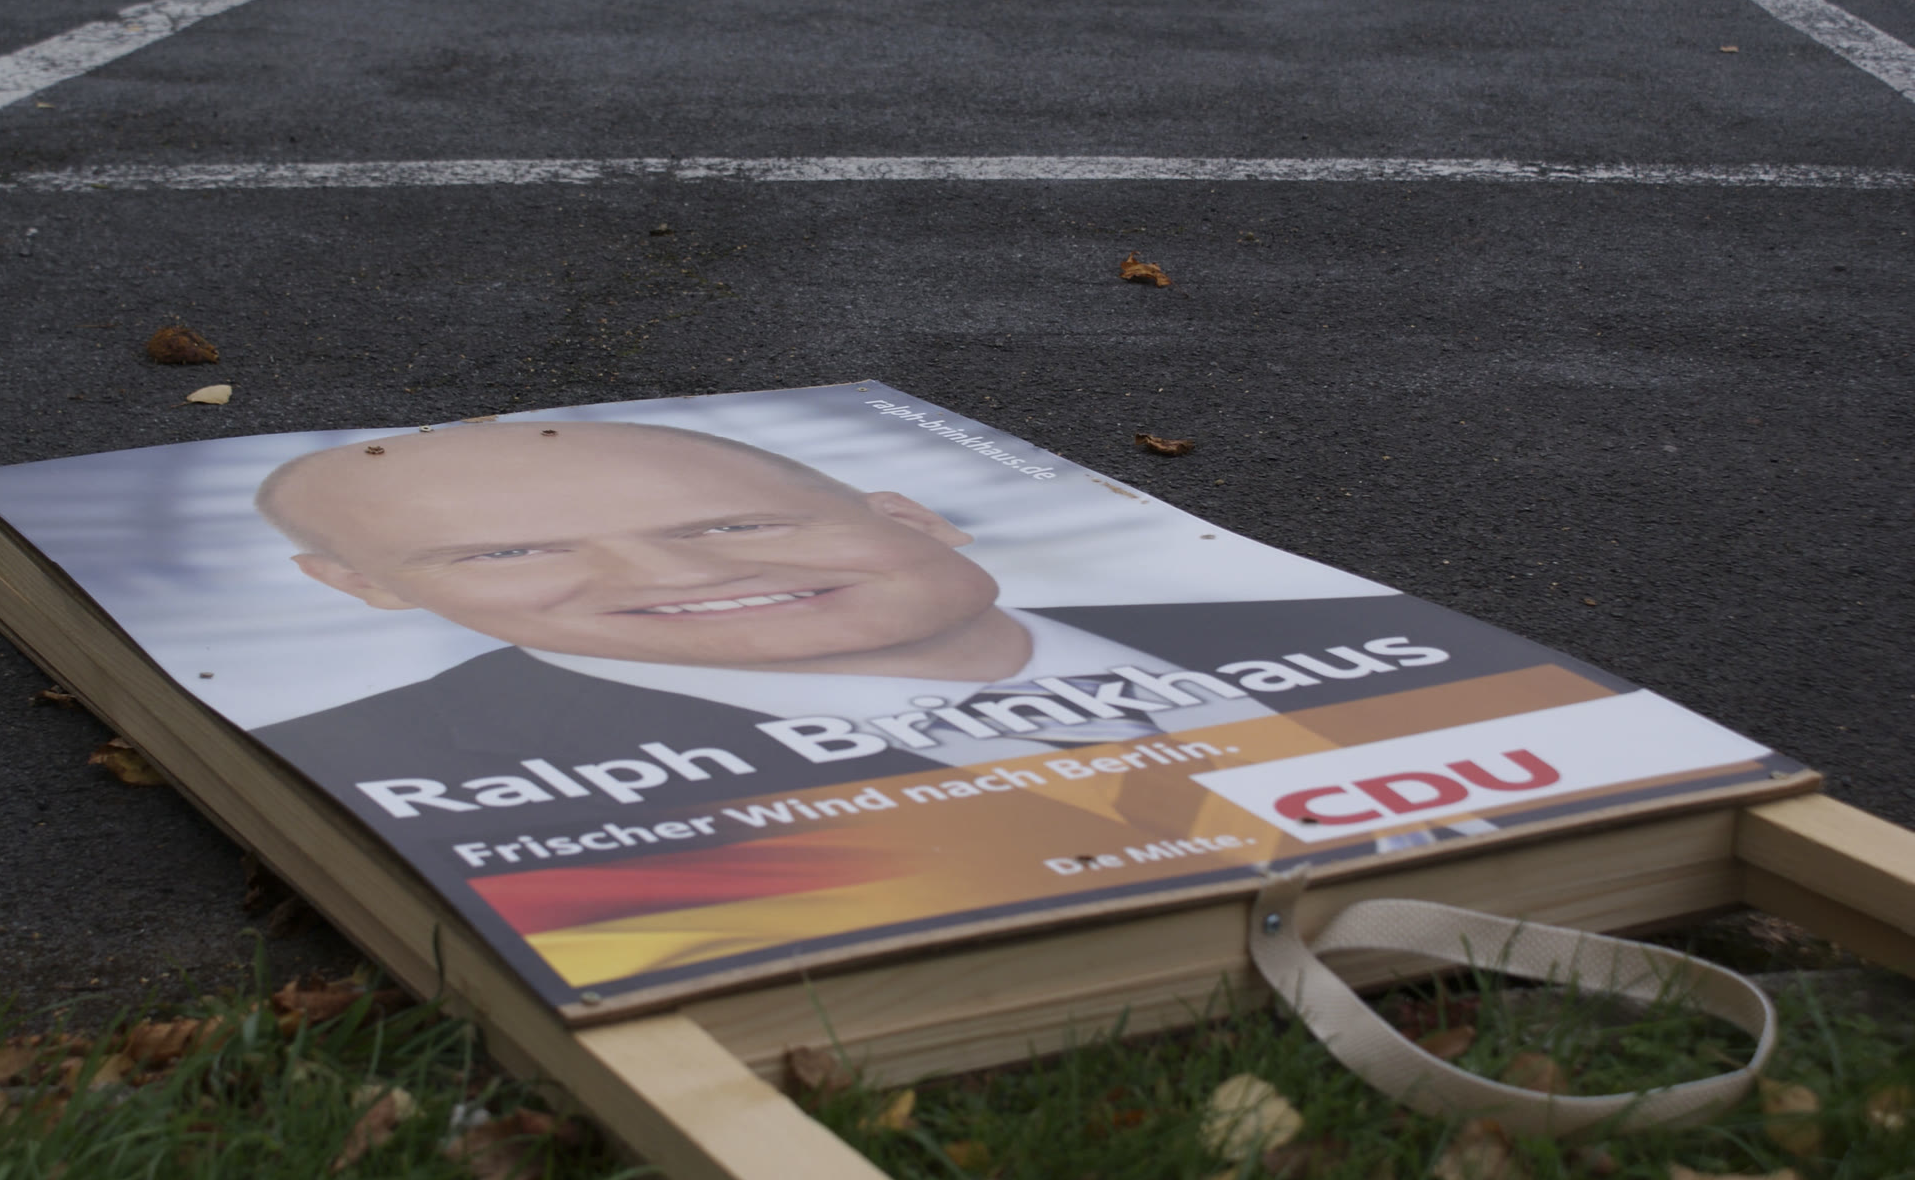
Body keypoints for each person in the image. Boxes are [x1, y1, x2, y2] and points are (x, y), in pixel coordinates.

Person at [252, 421, 1611, 823]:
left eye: (736, 527)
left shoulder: (1331, 629)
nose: (674, 575)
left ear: (913, 512)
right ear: (367, 589)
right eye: (508, 551)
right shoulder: (432, 777)